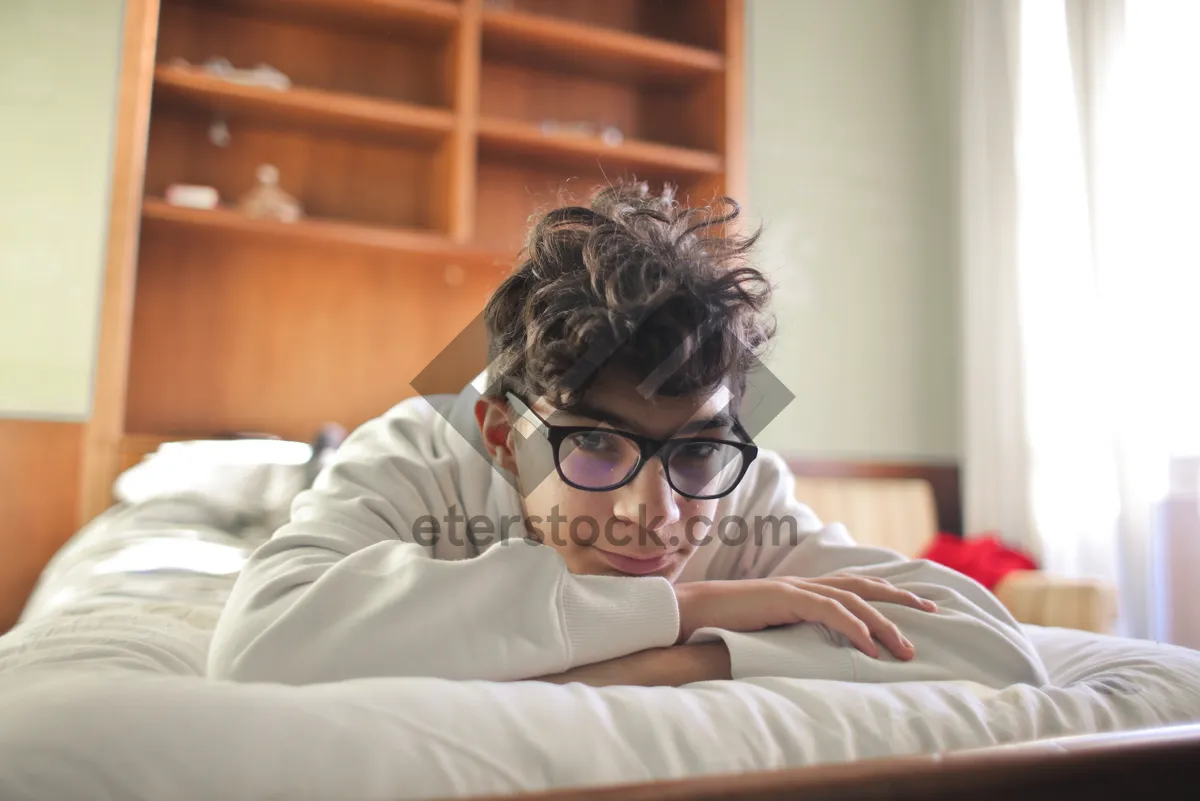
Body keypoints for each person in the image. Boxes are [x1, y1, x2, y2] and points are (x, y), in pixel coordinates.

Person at [207, 183, 1047, 690]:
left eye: (692, 450)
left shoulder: (737, 476)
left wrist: (666, 658)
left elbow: (990, 646)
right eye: (598, 447)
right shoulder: (419, 447)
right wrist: (683, 607)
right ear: (505, 439)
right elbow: (259, 639)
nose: (659, 517)